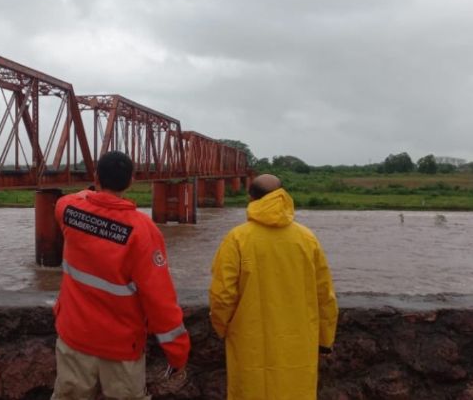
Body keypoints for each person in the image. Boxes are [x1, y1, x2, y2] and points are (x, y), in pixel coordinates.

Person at [51, 151, 190, 400]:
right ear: (131, 182)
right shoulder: (143, 231)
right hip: (121, 347)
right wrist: (177, 352)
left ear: (96, 177)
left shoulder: (68, 209)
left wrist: (95, 193)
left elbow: (78, 196)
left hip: (73, 337)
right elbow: (160, 300)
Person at [209, 174, 338, 399]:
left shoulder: (237, 239)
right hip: (299, 344)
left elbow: (222, 296)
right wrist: (325, 341)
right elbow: (324, 296)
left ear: (250, 197)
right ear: (283, 195)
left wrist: (224, 329)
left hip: (250, 344)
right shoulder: (307, 239)